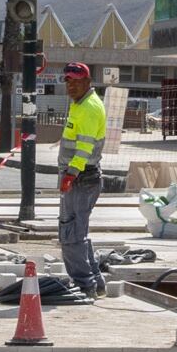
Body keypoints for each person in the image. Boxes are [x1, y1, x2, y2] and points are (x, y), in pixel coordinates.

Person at [56, 62, 109, 296]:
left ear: (87, 82)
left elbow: (84, 149)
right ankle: (94, 283)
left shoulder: (88, 108)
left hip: (80, 177)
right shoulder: (81, 105)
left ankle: (84, 284)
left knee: (71, 233)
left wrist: (70, 174)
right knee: (78, 231)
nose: (71, 86)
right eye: (68, 81)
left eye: (76, 81)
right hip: (82, 176)